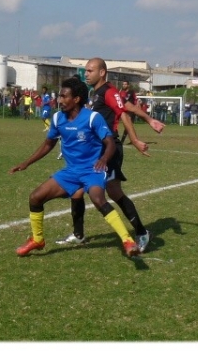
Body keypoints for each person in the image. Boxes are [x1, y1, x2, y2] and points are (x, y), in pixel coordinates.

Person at [9, 77, 141, 258]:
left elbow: (110, 142)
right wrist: (26, 163)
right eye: (59, 96)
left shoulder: (93, 118)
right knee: (35, 198)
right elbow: (48, 144)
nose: (59, 100)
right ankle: (37, 239)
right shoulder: (58, 118)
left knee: (97, 198)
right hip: (71, 171)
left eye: (64, 96)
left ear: (76, 99)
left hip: (92, 170)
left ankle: (127, 241)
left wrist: (104, 158)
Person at [55, 58, 165, 253]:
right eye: (86, 70)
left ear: (102, 72)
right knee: (77, 190)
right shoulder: (97, 93)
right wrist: (149, 119)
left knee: (114, 192)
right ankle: (78, 235)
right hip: (96, 149)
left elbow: (123, 113)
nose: (86, 74)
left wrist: (135, 140)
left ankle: (142, 232)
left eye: (90, 71)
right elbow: (127, 105)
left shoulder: (108, 91)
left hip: (110, 148)